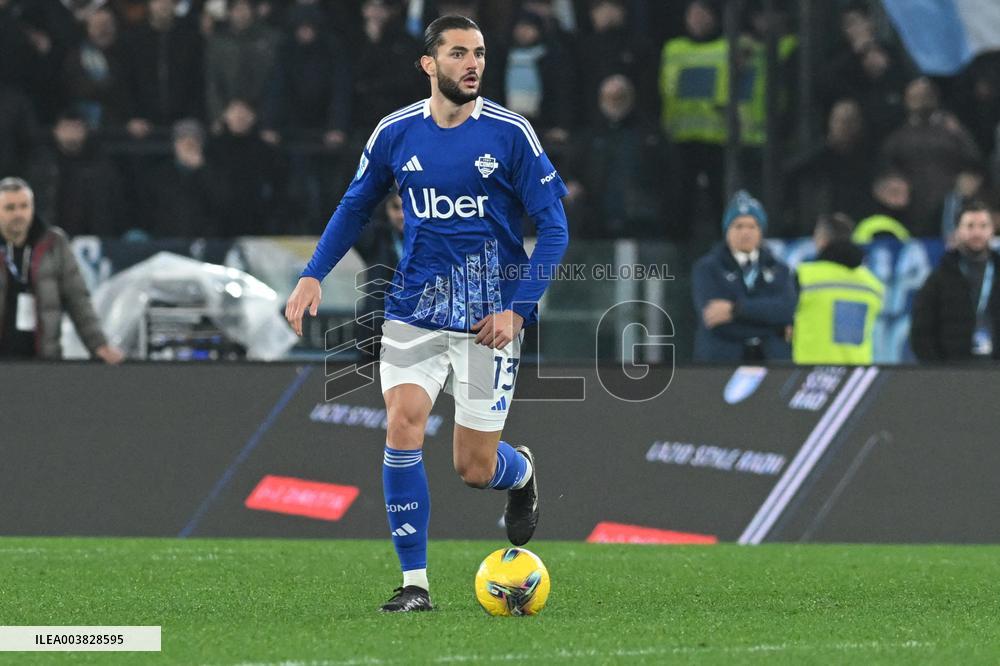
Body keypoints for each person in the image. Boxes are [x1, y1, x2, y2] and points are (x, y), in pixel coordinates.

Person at [284, 15, 568, 612]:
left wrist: (517, 311)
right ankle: (415, 585)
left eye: (481, 54)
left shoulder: (512, 133)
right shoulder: (395, 133)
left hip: (489, 322)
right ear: (428, 64)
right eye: (460, 53)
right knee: (402, 424)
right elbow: (354, 204)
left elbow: (556, 228)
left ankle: (520, 474)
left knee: (473, 466)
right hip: (412, 312)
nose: (473, 64)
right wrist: (313, 272)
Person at [0, 177, 123, 363]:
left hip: (45, 360)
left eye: (24, 206)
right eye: (10, 208)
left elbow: (78, 299)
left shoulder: (54, 244)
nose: (19, 213)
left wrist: (99, 344)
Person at [692, 190, 796, 362]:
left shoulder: (780, 270)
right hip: (721, 365)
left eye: (752, 226)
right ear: (727, 231)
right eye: (738, 226)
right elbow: (715, 322)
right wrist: (774, 328)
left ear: (761, 231)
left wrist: (735, 310)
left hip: (773, 365)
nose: (745, 232)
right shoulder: (707, 268)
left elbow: (786, 311)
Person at [911, 200, 1000, 362]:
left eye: (983, 226)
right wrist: (940, 372)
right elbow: (921, 333)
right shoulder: (938, 279)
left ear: (992, 231)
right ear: (958, 231)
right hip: (953, 376)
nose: (977, 233)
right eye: (970, 226)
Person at [792, 213, 884, 365]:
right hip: (856, 374)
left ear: (822, 240)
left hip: (810, 374)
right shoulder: (872, 284)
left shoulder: (804, 276)